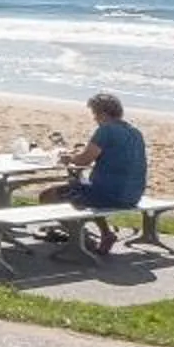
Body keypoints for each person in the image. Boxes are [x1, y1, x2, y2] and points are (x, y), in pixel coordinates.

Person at [42, 92, 147, 254]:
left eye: (95, 115)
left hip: (108, 195)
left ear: (103, 114)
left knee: (47, 196)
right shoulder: (135, 132)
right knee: (84, 188)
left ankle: (81, 238)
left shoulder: (106, 130)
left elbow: (84, 160)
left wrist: (69, 158)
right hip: (132, 194)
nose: (94, 119)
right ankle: (106, 234)